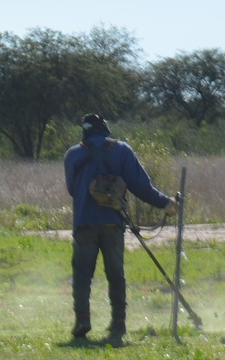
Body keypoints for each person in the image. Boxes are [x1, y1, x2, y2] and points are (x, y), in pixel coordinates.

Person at [62, 114, 175, 346]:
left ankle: (82, 321)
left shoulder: (73, 155)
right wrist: (166, 203)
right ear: (105, 129)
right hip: (113, 222)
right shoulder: (121, 150)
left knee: (82, 275)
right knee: (116, 274)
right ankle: (118, 323)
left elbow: (73, 189)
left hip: (84, 222)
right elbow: (141, 186)